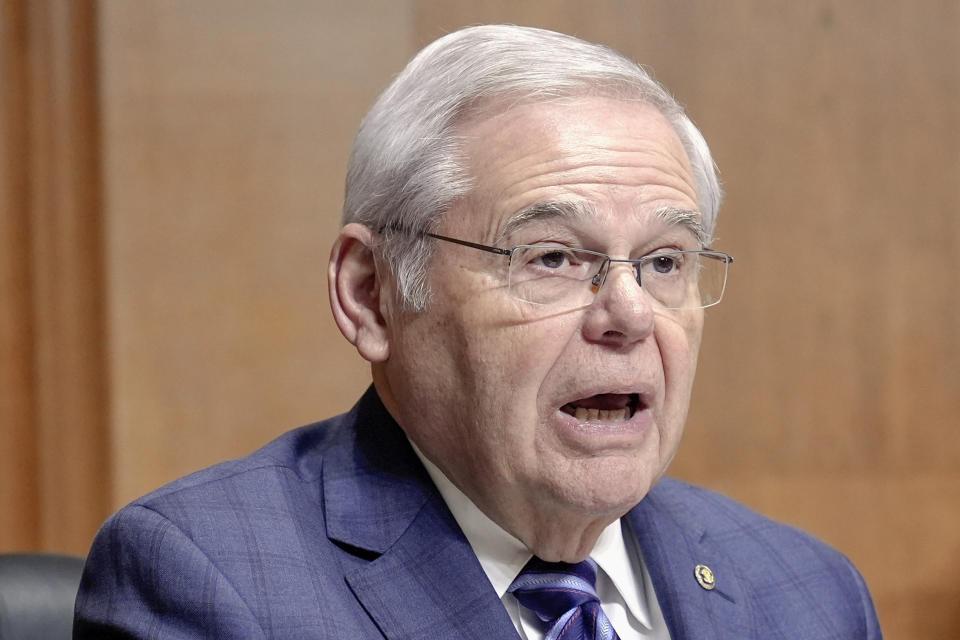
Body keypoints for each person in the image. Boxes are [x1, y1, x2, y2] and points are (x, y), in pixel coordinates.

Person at [74, 25, 882, 639]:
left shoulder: (806, 593)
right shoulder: (212, 582)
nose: (630, 313)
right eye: (556, 257)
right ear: (372, 295)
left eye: (666, 262)